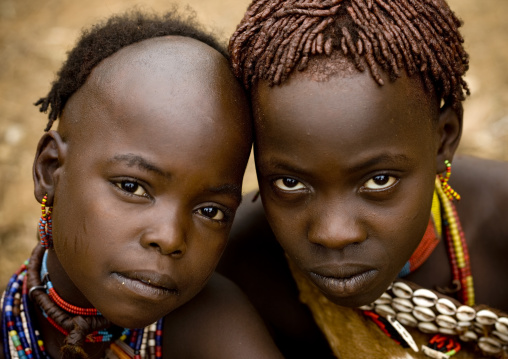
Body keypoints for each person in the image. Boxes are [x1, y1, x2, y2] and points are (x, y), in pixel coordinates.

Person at [217, 0, 508, 358]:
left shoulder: (501, 225)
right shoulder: (238, 266)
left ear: (444, 137)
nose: (334, 233)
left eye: (379, 180)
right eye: (290, 183)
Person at [0, 10, 284, 359]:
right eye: (133, 187)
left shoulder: (212, 324)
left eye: (210, 211)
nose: (169, 238)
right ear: (49, 170)